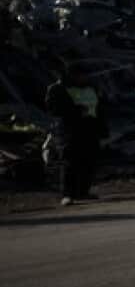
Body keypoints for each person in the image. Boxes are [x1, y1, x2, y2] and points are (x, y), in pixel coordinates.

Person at [45, 70, 107, 205]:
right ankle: (67, 194)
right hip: (69, 131)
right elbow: (53, 109)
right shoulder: (57, 89)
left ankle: (83, 192)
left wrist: (102, 128)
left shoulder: (91, 87)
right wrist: (75, 110)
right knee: (70, 162)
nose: (83, 77)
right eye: (80, 75)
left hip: (90, 129)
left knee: (89, 161)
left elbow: (99, 107)